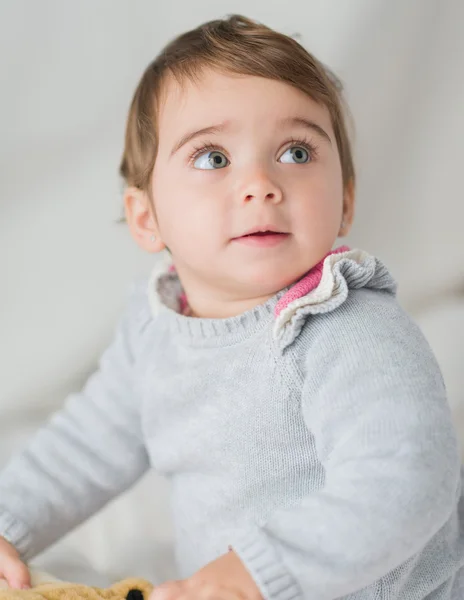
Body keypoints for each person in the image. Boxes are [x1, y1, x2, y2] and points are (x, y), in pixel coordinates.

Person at [0, 14, 463, 600]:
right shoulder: (155, 330)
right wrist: (8, 521)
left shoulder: (348, 327)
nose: (260, 184)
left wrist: (259, 571)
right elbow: (84, 447)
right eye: (213, 158)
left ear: (344, 202)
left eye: (296, 152)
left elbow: (408, 479)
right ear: (147, 218)